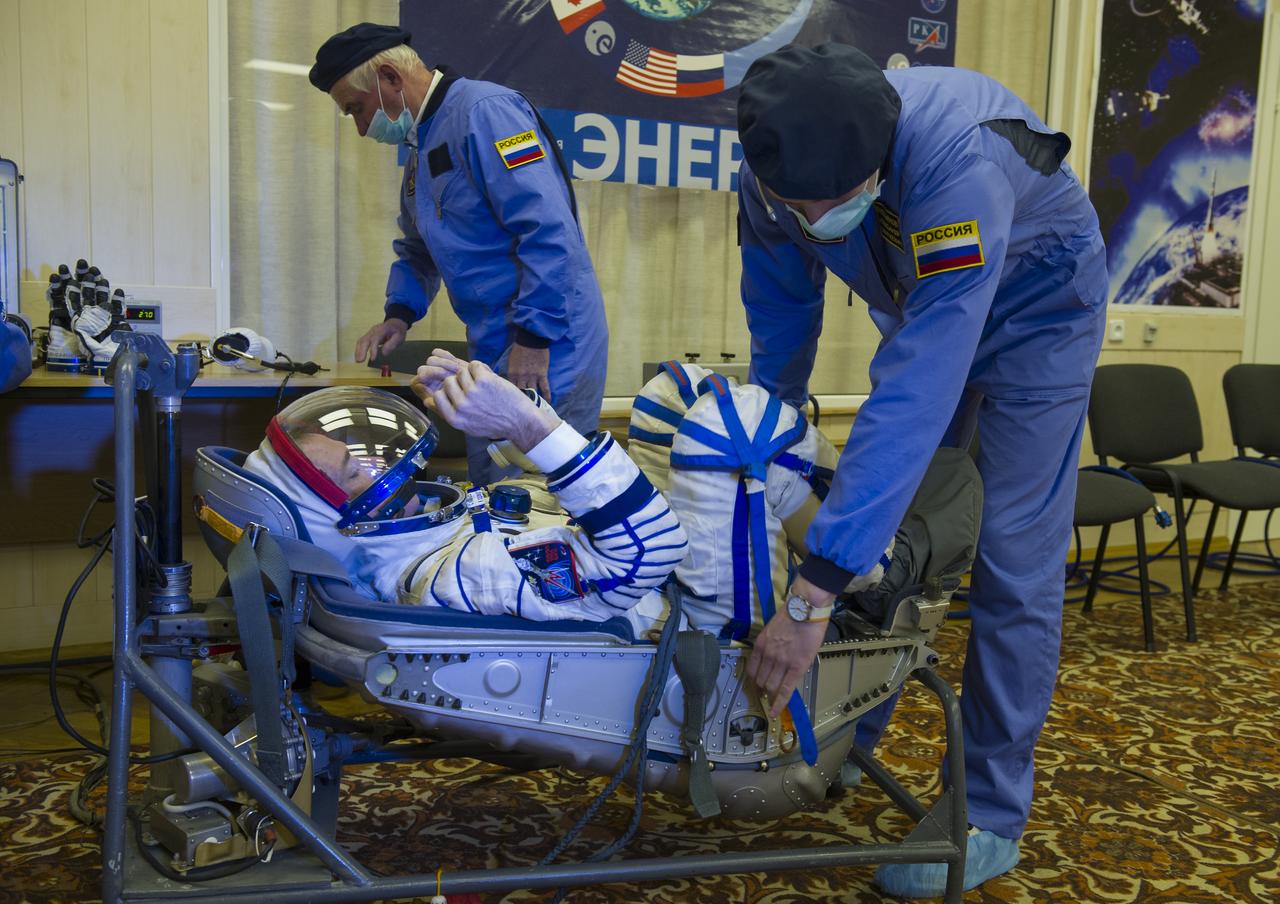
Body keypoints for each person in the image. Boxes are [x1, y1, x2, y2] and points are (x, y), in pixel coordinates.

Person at [734, 44, 1108, 896]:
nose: (817, 218)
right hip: (925, 305)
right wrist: (767, 439)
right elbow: (780, 314)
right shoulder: (767, 173)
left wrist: (812, 591)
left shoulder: (956, 159)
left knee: (1011, 554)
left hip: (1039, 314)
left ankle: (988, 813)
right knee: (898, 541)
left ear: (879, 161)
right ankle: (846, 735)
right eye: (800, 206)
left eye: (839, 199)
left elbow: (922, 383)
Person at [308, 23, 609, 484]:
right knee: (494, 481)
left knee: (542, 488)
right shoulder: (420, 149)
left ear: (390, 77)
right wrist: (398, 315)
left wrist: (534, 340)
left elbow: (548, 230)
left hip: (549, 339)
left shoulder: (488, 113)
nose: (362, 129)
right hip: (492, 341)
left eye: (357, 109)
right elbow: (418, 248)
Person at [244, 350, 679, 631]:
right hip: (688, 610)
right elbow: (652, 550)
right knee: (694, 406)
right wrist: (526, 425)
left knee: (671, 391)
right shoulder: (452, 578)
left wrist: (508, 417)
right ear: (340, 525)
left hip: (649, 535)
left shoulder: (428, 538)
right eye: (353, 470)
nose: (380, 465)